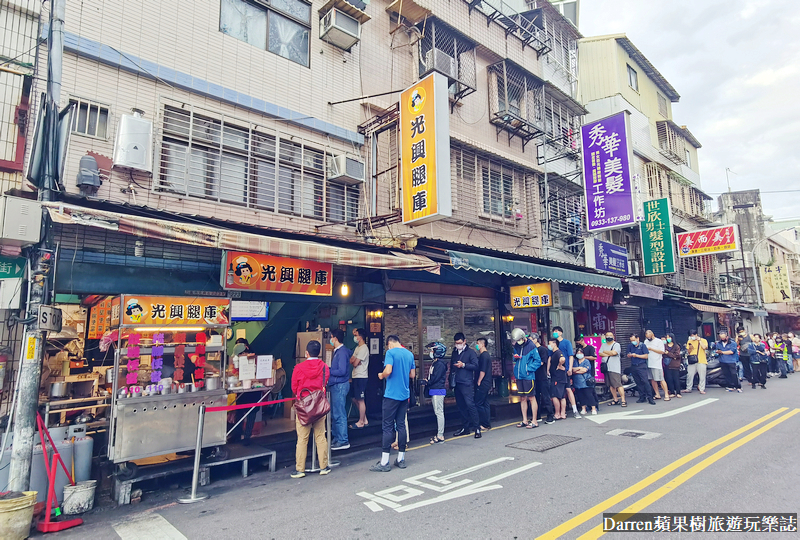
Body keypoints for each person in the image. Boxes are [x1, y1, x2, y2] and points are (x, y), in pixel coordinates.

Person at [371, 335, 415, 472]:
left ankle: (384, 462)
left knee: (387, 426)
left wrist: (381, 375)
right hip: (404, 395)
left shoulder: (390, 353)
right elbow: (412, 375)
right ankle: (400, 459)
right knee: (401, 425)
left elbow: (388, 370)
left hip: (391, 395)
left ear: (389, 343)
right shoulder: (409, 354)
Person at [290, 340, 331, 478]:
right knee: (320, 436)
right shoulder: (325, 367)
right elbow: (325, 383)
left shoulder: (298, 368)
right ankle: (324, 467)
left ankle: (300, 470)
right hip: (319, 407)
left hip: (303, 408)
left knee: (302, 438)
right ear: (319, 353)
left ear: (306, 353)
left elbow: (294, 387)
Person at [451, 332, 481, 438]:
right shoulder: (454, 352)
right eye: (456, 343)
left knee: (470, 405)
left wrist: (463, 365)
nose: (458, 345)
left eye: (459, 343)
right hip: (457, 382)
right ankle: (465, 427)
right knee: (461, 406)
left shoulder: (470, 352)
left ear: (464, 341)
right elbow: (451, 366)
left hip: (467, 382)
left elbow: (476, 366)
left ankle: (477, 427)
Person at [512, 328, 542, 428]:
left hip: (528, 376)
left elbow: (538, 361)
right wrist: (515, 357)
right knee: (522, 398)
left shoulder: (532, 346)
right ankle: (524, 420)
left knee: (531, 397)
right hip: (519, 375)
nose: (518, 342)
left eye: (519, 339)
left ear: (523, 338)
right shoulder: (517, 345)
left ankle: (534, 420)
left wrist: (528, 369)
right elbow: (514, 357)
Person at [328, 329, 352, 451]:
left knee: (339, 413)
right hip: (337, 386)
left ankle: (343, 440)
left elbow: (342, 371)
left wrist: (329, 370)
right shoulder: (339, 351)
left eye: (331, 337)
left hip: (339, 386)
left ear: (335, 338)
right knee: (335, 413)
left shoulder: (341, 352)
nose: (330, 340)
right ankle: (337, 438)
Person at [423, 342, 448, 444]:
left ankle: (440, 435)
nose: (430, 352)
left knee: (439, 412)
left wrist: (427, 382)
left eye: (432, 350)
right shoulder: (436, 363)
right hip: (435, 389)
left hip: (438, 390)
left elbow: (435, 378)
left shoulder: (440, 364)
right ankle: (439, 433)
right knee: (438, 411)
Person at [553, 326, 580, 419]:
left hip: (565, 370)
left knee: (568, 389)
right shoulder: (553, 343)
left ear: (561, 332)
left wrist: (570, 368)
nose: (554, 333)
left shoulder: (566, 342)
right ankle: (560, 412)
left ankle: (575, 410)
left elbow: (570, 356)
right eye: (553, 331)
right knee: (558, 391)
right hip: (556, 372)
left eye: (556, 331)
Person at [532, 333, 556, 424]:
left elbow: (542, 362)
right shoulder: (533, 350)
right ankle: (537, 416)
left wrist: (532, 366)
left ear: (535, 340)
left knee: (546, 397)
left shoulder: (542, 349)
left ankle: (550, 415)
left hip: (542, 376)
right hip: (535, 376)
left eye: (531, 339)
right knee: (536, 397)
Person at [349, 328, 370, 429]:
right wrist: (355, 362)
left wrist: (355, 361)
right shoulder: (357, 348)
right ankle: (364, 418)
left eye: (356, 335)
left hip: (361, 376)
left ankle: (361, 421)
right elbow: (351, 361)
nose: (355, 337)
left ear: (360, 337)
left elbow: (355, 362)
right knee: (354, 398)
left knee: (360, 399)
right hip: (355, 375)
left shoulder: (364, 348)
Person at [627, 333, 655, 405]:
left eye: (633, 340)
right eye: (631, 340)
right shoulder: (630, 346)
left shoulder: (642, 345)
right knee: (638, 382)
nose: (632, 341)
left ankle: (650, 397)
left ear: (637, 338)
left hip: (641, 365)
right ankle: (642, 397)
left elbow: (646, 356)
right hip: (633, 365)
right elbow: (627, 354)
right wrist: (630, 355)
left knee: (645, 381)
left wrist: (636, 355)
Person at [599, 332, 626, 407]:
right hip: (606, 368)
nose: (608, 337)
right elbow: (600, 353)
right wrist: (609, 353)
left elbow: (614, 353)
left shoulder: (616, 345)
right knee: (611, 385)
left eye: (610, 335)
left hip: (614, 368)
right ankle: (615, 399)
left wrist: (606, 352)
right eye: (607, 336)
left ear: (613, 336)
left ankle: (623, 400)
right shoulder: (603, 345)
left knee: (618, 384)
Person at [571, 346, 598, 416]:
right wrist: (579, 368)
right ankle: (583, 408)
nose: (579, 354)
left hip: (586, 381)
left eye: (581, 353)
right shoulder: (574, 361)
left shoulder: (586, 361)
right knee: (580, 396)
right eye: (578, 353)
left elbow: (585, 370)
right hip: (577, 382)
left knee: (589, 395)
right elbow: (572, 370)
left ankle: (593, 408)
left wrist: (577, 370)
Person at [644, 330, 669, 401]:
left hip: (656, 363)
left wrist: (651, 349)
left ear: (653, 334)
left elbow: (662, 351)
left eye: (649, 336)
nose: (648, 338)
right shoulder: (646, 341)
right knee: (652, 379)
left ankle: (666, 394)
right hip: (649, 363)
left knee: (661, 379)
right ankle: (657, 394)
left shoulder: (659, 341)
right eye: (647, 337)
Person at [474, 337, 493, 431]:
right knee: (485, 403)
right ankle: (487, 423)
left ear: (482, 344)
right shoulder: (485, 355)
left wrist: (479, 381)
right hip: (487, 382)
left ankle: (484, 424)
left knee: (479, 403)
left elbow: (483, 370)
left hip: (483, 382)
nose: (477, 345)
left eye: (478, 343)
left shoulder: (484, 356)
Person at [684, 330, 709, 394]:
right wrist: (690, 348)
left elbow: (704, 347)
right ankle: (688, 388)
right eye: (691, 336)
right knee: (689, 374)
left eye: (693, 335)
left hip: (701, 360)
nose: (692, 337)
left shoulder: (703, 340)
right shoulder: (689, 341)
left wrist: (699, 340)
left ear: (696, 335)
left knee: (702, 376)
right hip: (692, 361)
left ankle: (702, 389)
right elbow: (688, 352)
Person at [548, 340, 568, 419]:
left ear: (554, 344)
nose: (548, 345)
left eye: (549, 343)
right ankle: (563, 413)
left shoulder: (558, 352)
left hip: (557, 378)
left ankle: (557, 413)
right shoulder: (554, 353)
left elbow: (562, 359)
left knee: (555, 396)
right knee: (562, 396)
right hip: (560, 377)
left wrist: (559, 365)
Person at [662, 334, 682, 399]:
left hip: (675, 365)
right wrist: (671, 355)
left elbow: (676, 355)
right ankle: (672, 392)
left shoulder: (676, 346)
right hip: (667, 365)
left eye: (669, 337)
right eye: (667, 337)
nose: (668, 339)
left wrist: (668, 353)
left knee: (676, 379)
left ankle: (678, 392)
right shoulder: (664, 346)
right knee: (669, 379)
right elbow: (663, 355)